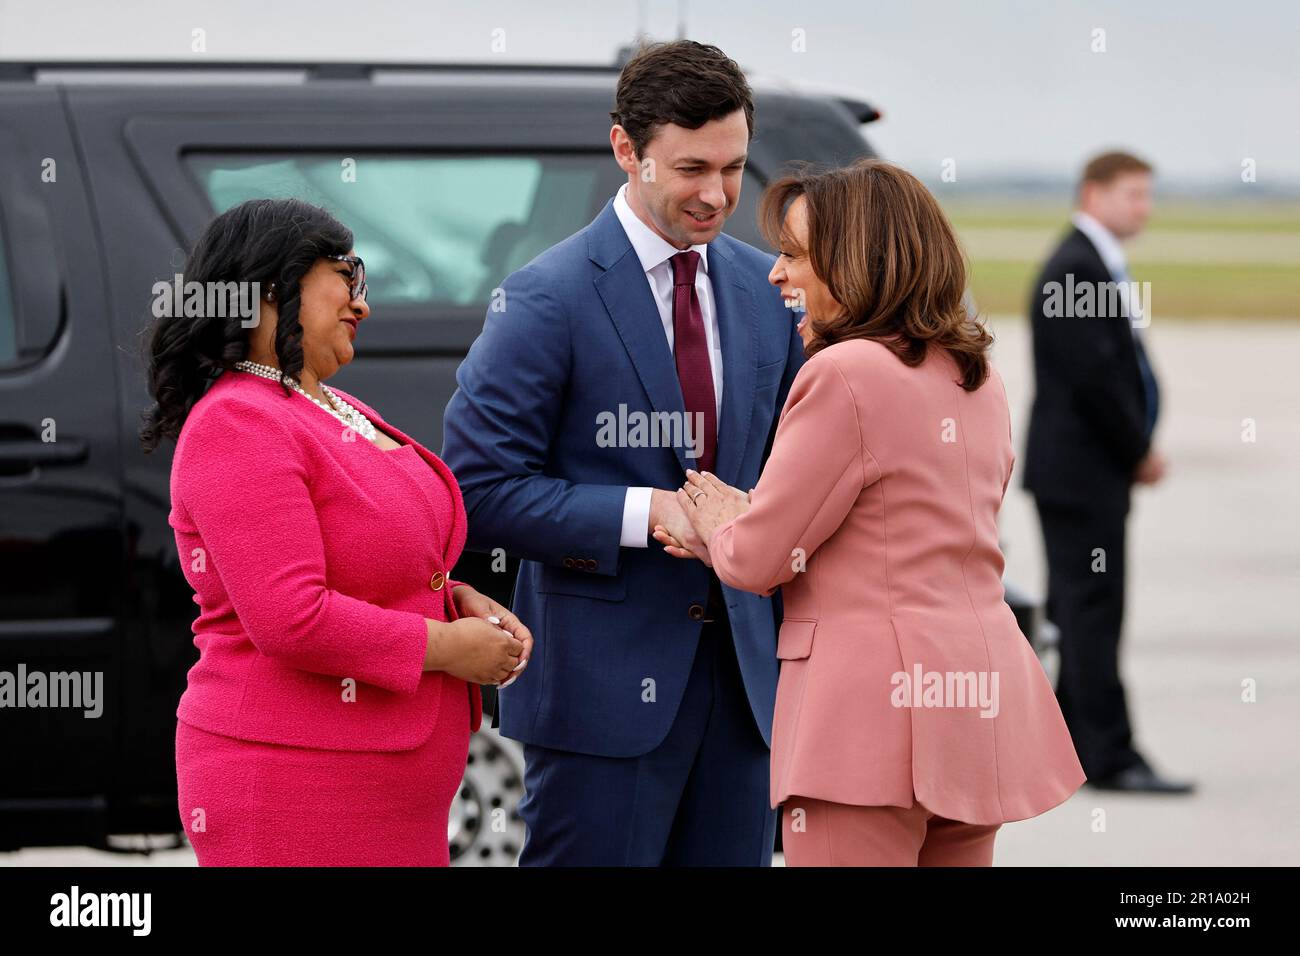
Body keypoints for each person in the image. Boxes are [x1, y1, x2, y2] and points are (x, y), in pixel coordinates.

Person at [656, 160, 1086, 866]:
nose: (776, 274)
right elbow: (892, 527)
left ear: (856, 263)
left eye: (795, 256)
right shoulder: (974, 375)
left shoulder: (845, 372)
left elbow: (761, 558)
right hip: (975, 705)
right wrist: (755, 522)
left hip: (868, 724)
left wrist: (719, 523)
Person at [440, 40, 804, 866]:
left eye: (734, 167)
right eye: (690, 169)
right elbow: (477, 489)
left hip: (748, 693)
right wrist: (651, 514)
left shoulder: (765, 289)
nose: (716, 194)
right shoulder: (545, 298)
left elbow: (795, 460)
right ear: (624, 150)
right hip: (603, 702)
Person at [141, 198, 532, 866]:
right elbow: (290, 617)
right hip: (298, 782)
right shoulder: (238, 423)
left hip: (385, 784)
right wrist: (445, 646)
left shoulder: (331, 404)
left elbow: (374, 560)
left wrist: (453, 596)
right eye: (346, 274)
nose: (362, 302)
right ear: (269, 289)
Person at [1023, 151, 1194, 793]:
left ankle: (1067, 749)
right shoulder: (1076, 268)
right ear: (1092, 195)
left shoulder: (1092, 263)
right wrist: (1138, 449)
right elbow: (1095, 379)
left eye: (1148, 195)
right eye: (1132, 194)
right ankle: (1109, 756)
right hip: (1083, 476)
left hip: (1084, 475)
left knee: (1078, 609)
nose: (1143, 208)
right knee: (1093, 611)